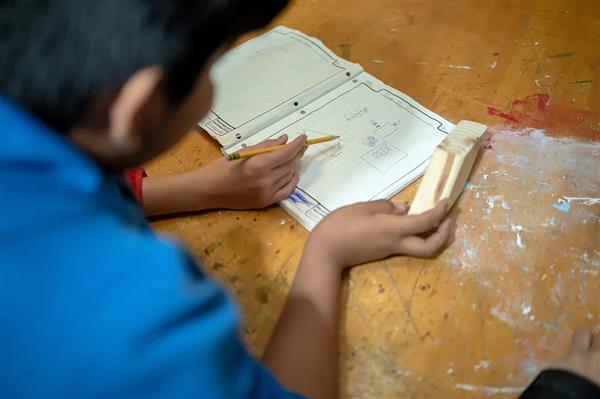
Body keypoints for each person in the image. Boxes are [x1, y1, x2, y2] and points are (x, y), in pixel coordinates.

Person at [1, 1, 597, 398]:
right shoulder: (138, 320)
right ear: (139, 105)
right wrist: (323, 256)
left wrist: (195, 187)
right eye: (216, 66)